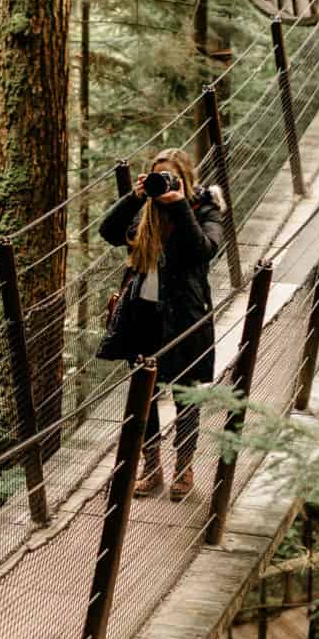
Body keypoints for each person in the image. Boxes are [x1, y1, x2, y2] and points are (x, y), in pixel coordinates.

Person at [98, 149, 226, 500]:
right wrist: (136, 196)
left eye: (171, 179)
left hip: (186, 320)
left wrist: (180, 203)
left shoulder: (205, 211)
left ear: (186, 180)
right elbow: (108, 231)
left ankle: (183, 469)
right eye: (159, 178)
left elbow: (204, 250)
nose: (164, 185)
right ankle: (151, 467)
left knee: (188, 395)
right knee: (145, 396)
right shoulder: (145, 213)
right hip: (144, 317)